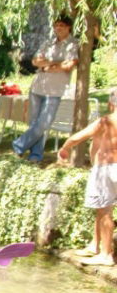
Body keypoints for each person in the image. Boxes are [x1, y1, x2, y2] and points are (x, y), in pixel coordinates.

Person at [57, 88, 117, 266]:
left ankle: (106, 254)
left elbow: (77, 138)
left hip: (107, 168)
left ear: (110, 103)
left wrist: (65, 149)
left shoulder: (106, 121)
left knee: (105, 210)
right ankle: (95, 245)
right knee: (102, 209)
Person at [13, 16, 79, 163]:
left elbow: (69, 65)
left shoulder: (73, 44)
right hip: (38, 86)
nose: (58, 28)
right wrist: (55, 63)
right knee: (35, 123)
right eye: (56, 26)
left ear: (69, 27)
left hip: (55, 90)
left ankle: (19, 145)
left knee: (44, 123)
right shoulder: (48, 42)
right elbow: (35, 61)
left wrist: (47, 65)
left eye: (61, 25)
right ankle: (35, 156)